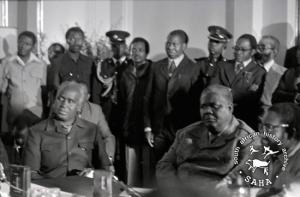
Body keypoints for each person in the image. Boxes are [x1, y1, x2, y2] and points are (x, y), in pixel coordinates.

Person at [156, 84, 255, 190]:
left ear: (230, 108)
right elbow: (164, 164)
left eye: (214, 106)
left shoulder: (247, 140)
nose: (207, 111)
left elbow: (243, 177)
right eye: (203, 107)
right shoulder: (186, 133)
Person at [24, 81, 113, 179]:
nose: (63, 105)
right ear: (54, 102)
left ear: (79, 107)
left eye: (70, 101)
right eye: (60, 99)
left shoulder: (92, 130)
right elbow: (31, 174)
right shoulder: (36, 132)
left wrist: (93, 173)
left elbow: (106, 169)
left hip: (84, 189)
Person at [144, 29, 200, 163]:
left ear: (184, 46)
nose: (170, 47)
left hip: (182, 130)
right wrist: (147, 127)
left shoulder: (194, 68)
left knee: (178, 169)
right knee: (157, 169)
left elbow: (196, 104)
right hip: (158, 131)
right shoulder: (155, 67)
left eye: (175, 44)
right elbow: (147, 99)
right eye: (168, 43)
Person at [92, 30, 131, 182]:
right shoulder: (103, 65)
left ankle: (123, 180)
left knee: (123, 150)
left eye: (121, 45)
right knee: (106, 146)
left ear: (125, 46)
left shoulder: (131, 65)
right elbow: (96, 93)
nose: (117, 49)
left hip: (124, 113)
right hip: (107, 113)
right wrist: (96, 114)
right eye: (114, 46)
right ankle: (107, 180)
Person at [211, 34, 266, 129]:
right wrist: (240, 92)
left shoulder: (259, 71)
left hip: (245, 119)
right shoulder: (222, 66)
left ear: (252, 51)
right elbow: (212, 89)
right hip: (221, 117)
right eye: (236, 48)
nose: (238, 52)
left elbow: (251, 97)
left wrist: (226, 91)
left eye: (243, 50)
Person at [119, 37, 152, 186]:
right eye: (134, 50)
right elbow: (121, 100)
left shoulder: (153, 71)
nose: (136, 53)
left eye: (140, 50)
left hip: (147, 125)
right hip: (129, 124)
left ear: (146, 53)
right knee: (130, 170)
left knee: (147, 169)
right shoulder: (125, 73)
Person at [0, 31, 46, 129]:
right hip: (15, 111)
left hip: (34, 111)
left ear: (33, 46)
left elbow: (43, 88)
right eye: (20, 42)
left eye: (27, 44)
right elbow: (3, 89)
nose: (22, 46)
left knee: (32, 140)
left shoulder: (41, 65)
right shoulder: (7, 63)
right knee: (14, 141)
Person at [256, 103, 300, 196]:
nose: (262, 134)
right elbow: (228, 184)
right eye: (261, 126)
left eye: (269, 128)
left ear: (291, 132)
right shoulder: (262, 151)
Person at [77, 82, 115, 162]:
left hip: (90, 158)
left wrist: (108, 159)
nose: (77, 97)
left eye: (81, 94)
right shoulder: (64, 109)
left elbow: (108, 136)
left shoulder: (95, 110)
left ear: (87, 97)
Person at [50, 27, 93, 91]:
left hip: (85, 100)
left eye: (80, 39)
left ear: (83, 41)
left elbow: (94, 86)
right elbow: (55, 85)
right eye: (73, 39)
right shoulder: (58, 61)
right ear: (68, 40)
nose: (76, 42)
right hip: (66, 99)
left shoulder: (89, 62)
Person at [257, 35, 286, 116]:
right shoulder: (251, 69)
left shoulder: (283, 73)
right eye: (258, 47)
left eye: (263, 48)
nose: (258, 51)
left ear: (274, 52)